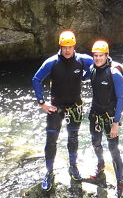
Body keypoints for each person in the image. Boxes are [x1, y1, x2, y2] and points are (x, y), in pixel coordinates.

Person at [32, 30, 94, 191]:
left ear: (74, 46)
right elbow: (36, 79)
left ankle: (73, 166)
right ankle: (49, 172)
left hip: (75, 107)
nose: (67, 50)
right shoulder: (52, 62)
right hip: (56, 108)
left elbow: (103, 62)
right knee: (51, 141)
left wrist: (120, 69)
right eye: (64, 47)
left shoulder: (82, 60)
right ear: (60, 46)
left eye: (70, 47)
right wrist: (42, 102)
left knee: (73, 138)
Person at [87, 40, 123, 197]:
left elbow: (121, 99)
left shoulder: (114, 74)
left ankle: (120, 183)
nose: (97, 59)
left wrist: (116, 123)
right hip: (95, 114)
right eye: (95, 56)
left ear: (107, 55)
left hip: (110, 118)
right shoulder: (92, 69)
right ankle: (100, 165)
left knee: (114, 150)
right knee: (96, 143)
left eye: (100, 56)